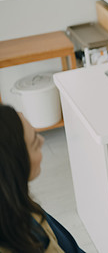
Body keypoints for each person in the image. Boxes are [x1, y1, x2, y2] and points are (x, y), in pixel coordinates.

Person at [0, 104, 85, 253]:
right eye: (35, 144)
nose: (42, 141)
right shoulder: (26, 233)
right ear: (15, 167)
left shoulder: (20, 208)